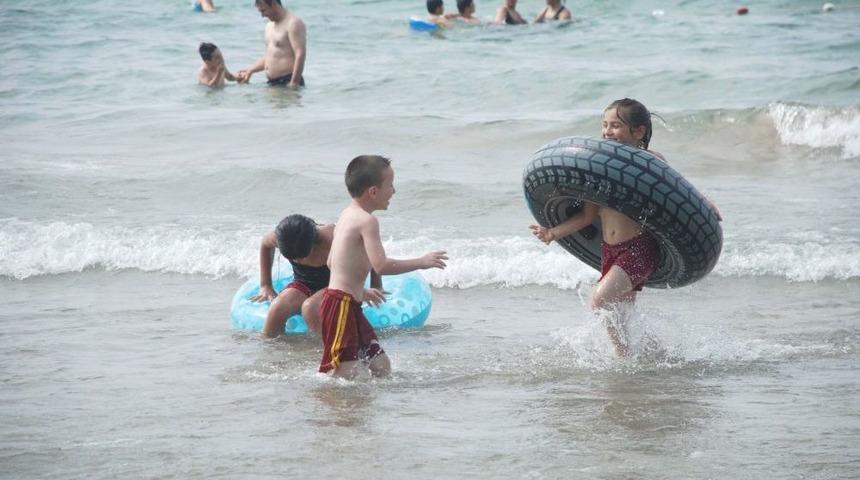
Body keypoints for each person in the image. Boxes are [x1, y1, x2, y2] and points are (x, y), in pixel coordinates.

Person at [529, 99, 666, 357]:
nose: (607, 131)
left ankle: (623, 358)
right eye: (604, 125)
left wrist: (705, 204)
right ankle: (649, 353)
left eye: (615, 125)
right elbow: (585, 217)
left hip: (639, 249)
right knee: (623, 312)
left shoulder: (651, 163)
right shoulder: (599, 175)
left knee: (600, 301)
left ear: (639, 132)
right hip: (610, 251)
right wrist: (551, 234)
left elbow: (678, 193)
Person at [319, 155, 448, 378]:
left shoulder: (347, 214)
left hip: (347, 302)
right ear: (373, 192)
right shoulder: (367, 221)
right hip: (340, 305)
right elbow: (381, 265)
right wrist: (422, 262)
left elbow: (332, 262)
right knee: (344, 371)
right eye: (390, 185)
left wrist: (360, 290)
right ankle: (336, 409)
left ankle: (367, 407)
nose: (394, 191)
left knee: (380, 365)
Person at [250, 214, 385, 338]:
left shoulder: (333, 238)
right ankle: (273, 354)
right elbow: (265, 244)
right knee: (277, 307)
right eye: (293, 258)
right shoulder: (283, 237)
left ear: (313, 245)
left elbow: (369, 250)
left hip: (335, 285)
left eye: (301, 257)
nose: (298, 261)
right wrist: (266, 285)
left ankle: (327, 350)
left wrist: (376, 285)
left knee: (310, 308)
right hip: (303, 283)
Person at [237, 0, 307, 88]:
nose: (262, 16)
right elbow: (271, 56)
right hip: (272, 83)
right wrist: (251, 70)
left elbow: (300, 54)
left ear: (274, 4)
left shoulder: (293, 23)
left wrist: (294, 83)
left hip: (288, 81)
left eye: (263, 11)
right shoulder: (269, 26)